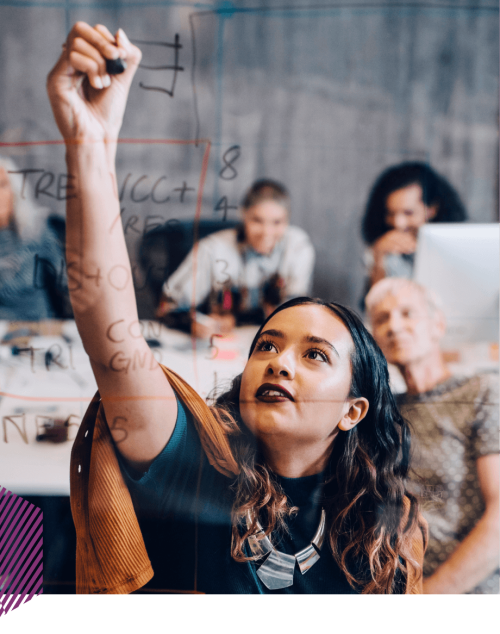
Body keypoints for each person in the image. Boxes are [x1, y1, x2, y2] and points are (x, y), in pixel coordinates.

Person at [46, 21, 427, 596]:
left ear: (352, 411)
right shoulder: (195, 467)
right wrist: (89, 142)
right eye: (267, 346)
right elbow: (114, 338)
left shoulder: (383, 531)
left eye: (315, 354)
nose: (278, 362)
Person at [366, 278, 499, 595]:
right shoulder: (382, 413)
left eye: (407, 313)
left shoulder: (481, 392)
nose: (394, 326)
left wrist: (431, 591)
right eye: (382, 319)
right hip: (392, 582)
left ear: (437, 325)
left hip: (468, 584)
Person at [158, 180, 316, 338]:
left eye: (277, 222)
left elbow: (295, 311)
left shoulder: (298, 246)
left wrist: (237, 319)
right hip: (215, 342)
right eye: (257, 220)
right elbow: (167, 307)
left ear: (287, 221)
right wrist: (193, 324)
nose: (267, 232)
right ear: (244, 215)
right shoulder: (213, 249)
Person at [0, 155, 72, 320]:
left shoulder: (38, 229)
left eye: (2, 185)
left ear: (14, 190)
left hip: (45, 327)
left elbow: (65, 285)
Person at [362, 163, 468, 293]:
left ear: (431, 209)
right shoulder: (381, 247)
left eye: (408, 213)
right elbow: (375, 309)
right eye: (390, 213)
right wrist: (378, 260)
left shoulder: (459, 248)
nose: (398, 223)